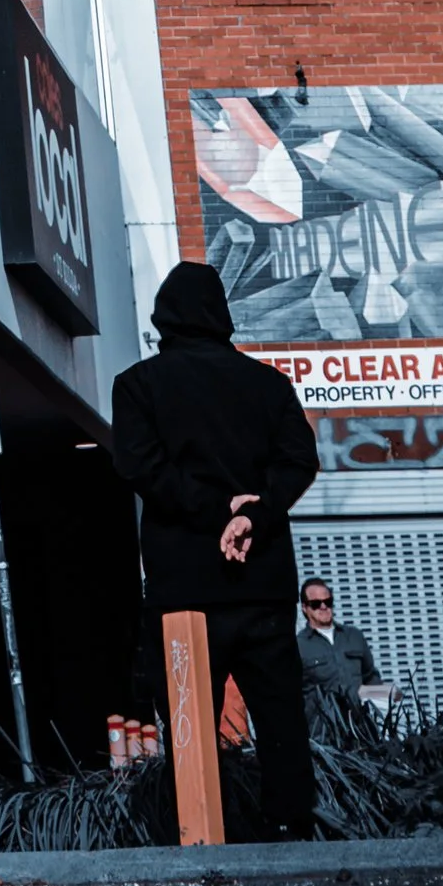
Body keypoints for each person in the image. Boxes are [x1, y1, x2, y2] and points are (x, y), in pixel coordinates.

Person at [110, 259, 320, 840]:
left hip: (185, 591)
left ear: (164, 318)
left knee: (188, 725)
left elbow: (139, 465)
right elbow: (300, 461)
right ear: (221, 315)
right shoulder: (270, 386)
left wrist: (213, 511)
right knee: (280, 718)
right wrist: (251, 512)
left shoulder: (137, 386)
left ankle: (201, 834)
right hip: (263, 586)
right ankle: (290, 831)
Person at [296, 577, 384, 727]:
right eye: (316, 604)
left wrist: (379, 710)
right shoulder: (299, 645)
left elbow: (370, 676)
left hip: (361, 729)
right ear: (305, 608)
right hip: (323, 735)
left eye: (328, 601)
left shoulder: (354, 636)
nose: (324, 607)